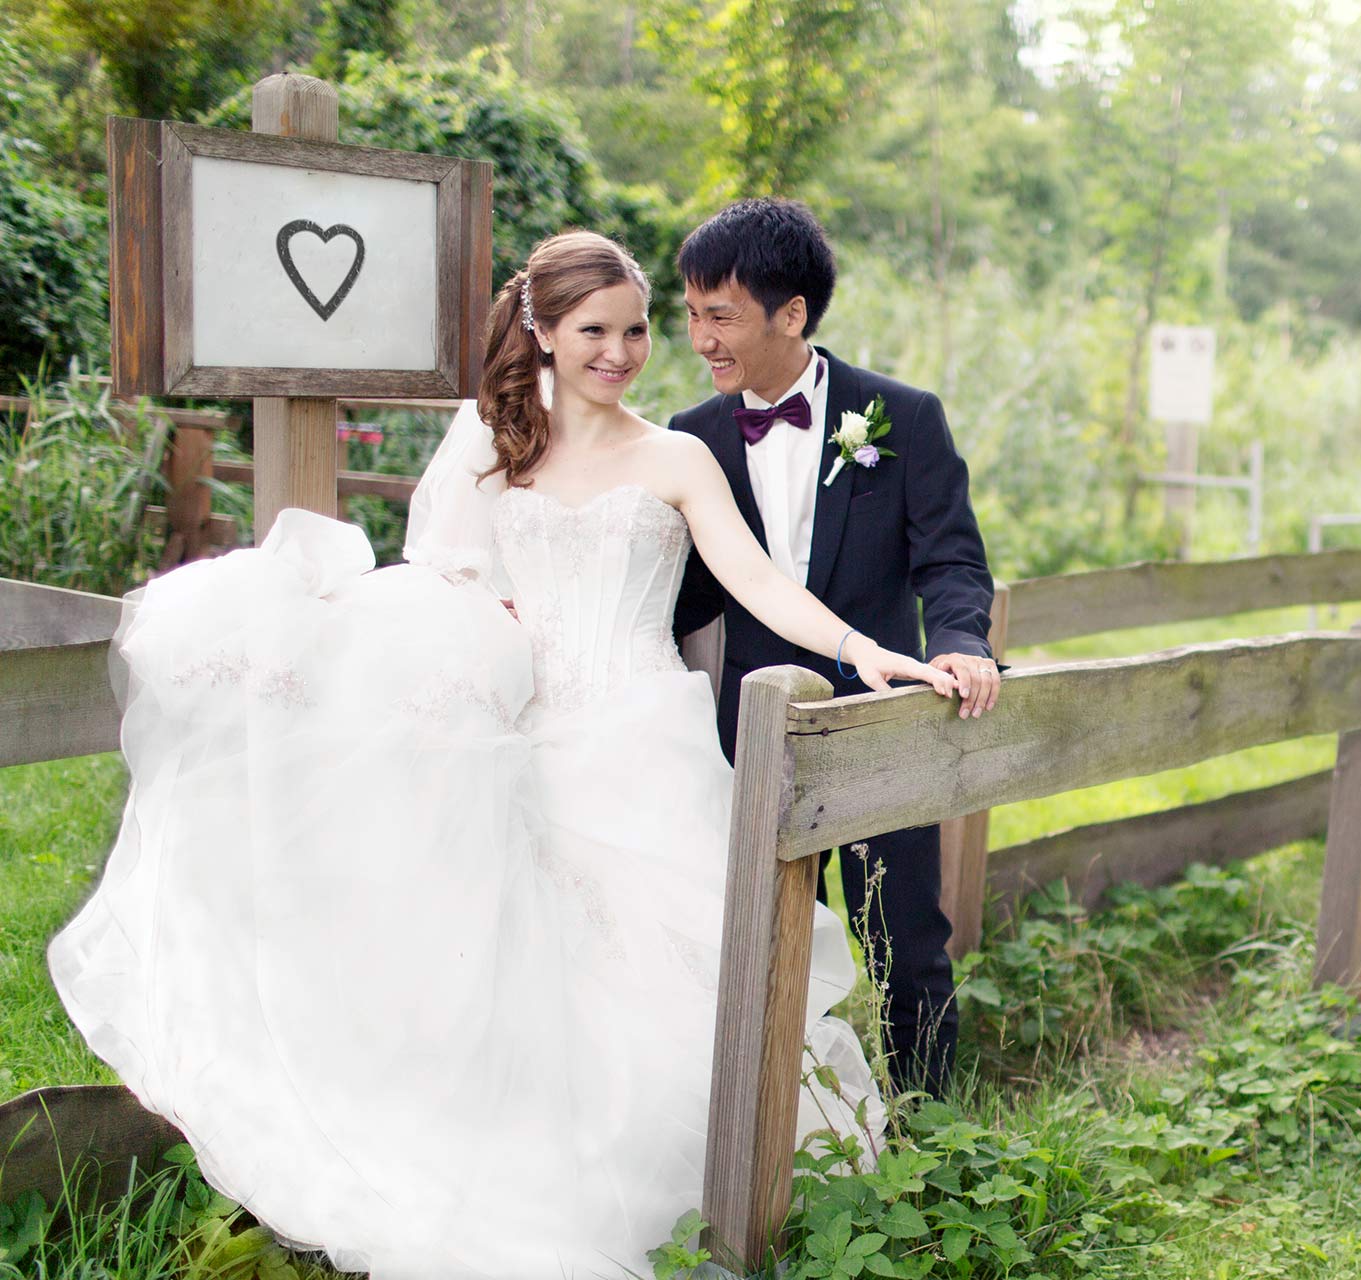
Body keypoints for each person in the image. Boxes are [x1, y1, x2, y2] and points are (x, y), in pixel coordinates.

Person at [47, 230, 955, 1280]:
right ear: (544, 331)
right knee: (526, 973)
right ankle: (544, 1189)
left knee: (681, 974)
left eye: (636, 331)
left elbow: (759, 583)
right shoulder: (495, 453)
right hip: (528, 739)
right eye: (594, 330)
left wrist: (860, 649)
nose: (620, 352)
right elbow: (445, 589)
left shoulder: (677, 456)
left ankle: (720, 1198)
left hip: (647, 742)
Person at [669, 199, 1000, 1099]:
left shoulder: (903, 417)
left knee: (905, 939)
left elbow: (951, 561)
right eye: (691, 314)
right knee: (770, 944)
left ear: (792, 314)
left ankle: (931, 1127)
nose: (700, 339)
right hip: (750, 731)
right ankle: (794, 1123)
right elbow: (681, 594)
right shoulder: (690, 438)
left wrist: (961, 642)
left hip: (884, 720)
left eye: (721, 315)